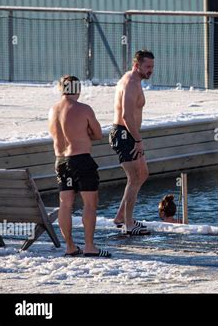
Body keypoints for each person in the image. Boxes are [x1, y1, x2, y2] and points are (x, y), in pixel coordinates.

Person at [48, 75, 111, 257]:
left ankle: (70, 246)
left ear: (61, 89)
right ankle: (90, 246)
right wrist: (84, 134)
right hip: (81, 159)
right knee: (90, 204)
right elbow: (98, 134)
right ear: (78, 89)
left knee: (65, 205)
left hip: (61, 161)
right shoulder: (83, 109)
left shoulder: (53, 110)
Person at [109, 50, 155, 236]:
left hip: (128, 134)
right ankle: (128, 224)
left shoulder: (134, 80)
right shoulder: (130, 83)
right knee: (135, 177)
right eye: (147, 67)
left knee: (141, 174)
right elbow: (127, 115)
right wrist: (137, 139)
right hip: (125, 134)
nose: (151, 70)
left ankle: (121, 217)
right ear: (137, 66)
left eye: (152, 66)